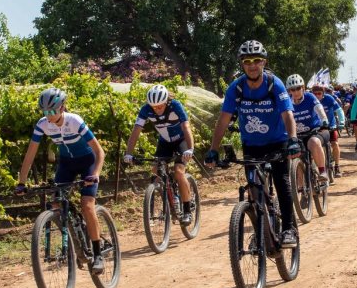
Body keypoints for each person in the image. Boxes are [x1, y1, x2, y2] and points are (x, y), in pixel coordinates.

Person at [205, 40, 300, 246]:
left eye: (257, 60)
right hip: (251, 146)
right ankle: (260, 233)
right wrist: (213, 149)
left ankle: (289, 228)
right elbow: (223, 120)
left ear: (263, 62)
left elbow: (287, 114)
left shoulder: (275, 84)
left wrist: (293, 139)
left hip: (278, 142)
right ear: (242, 64)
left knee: (282, 181)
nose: (252, 65)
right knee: (253, 189)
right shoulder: (236, 88)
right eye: (247, 61)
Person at [15, 88, 107, 271]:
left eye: (52, 111)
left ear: (62, 107)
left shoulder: (74, 121)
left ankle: (97, 255)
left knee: (87, 204)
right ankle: (77, 246)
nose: (48, 116)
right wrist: (21, 183)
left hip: (87, 162)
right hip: (66, 164)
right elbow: (30, 154)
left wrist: (95, 174)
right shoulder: (42, 124)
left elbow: (99, 152)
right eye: (45, 112)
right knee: (56, 204)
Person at [122, 85, 196, 225]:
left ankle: (187, 211)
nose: (156, 109)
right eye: (153, 107)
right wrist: (129, 153)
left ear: (166, 101)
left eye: (160, 106)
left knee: (179, 172)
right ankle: (163, 204)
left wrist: (190, 149)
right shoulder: (146, 110)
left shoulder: (175, 105)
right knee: (155, 171)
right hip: (165, 142)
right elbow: (136, 131)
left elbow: (186, 126)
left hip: (181, 141)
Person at [285, 74, 329, 185]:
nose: (295, 92)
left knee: (314, 142)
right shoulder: (287, 101)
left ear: (303, 88)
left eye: (298, 88)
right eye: (292, 89)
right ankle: (300, 187)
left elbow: (319, 109)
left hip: (314, 131)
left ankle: (322, 171)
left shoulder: (310, 97)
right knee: (296, 154)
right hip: (297, 135)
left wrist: (324, 120)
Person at [311, 81, 344, 178]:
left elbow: (339, 110)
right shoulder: (311, 100)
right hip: (318, 128)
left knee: (335, 143)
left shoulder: (329, 98)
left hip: (331, 125)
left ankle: (337, 166)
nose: (317, 95)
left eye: (319, 93)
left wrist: (341, 122)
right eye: (315, 94)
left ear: (323, 93)